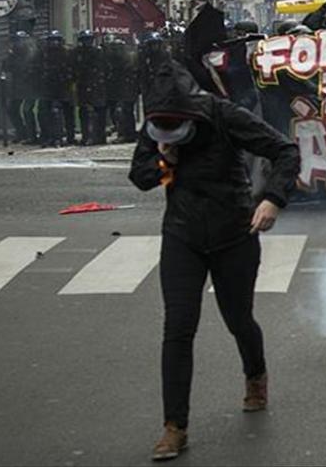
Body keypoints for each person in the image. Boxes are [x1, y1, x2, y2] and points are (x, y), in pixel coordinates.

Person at [128, 61, 300, 461]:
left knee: (238, 318)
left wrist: (274, 198)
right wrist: (163, 162)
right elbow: (139, 176)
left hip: (233, 232)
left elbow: (285, 151)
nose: (170, 132)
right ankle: (175, 427)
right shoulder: (157, 122)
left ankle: (255, 374)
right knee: (178, 328)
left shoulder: (224, 115)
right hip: (182, 234)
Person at [37, 31, 76, 146]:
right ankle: (53, 136)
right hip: (49, 89)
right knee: (51, 114)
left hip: (64, 88)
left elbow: (73, 69)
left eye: (57, 40)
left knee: (68, 114)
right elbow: (37, 69)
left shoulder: (67, 53)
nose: (54, 43)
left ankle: (70, 136)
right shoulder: (44, 54)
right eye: (52, 41)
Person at [73, 31, 108, 145]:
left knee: (99, 113)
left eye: (88, 40)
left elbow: (104, 69)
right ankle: (86, 136)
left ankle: (100, 137)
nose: (87, 42)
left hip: (97, 86)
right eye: (85, 40)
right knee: (84, 113)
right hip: (83, 86)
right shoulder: (77, 53)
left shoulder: (98, 52)